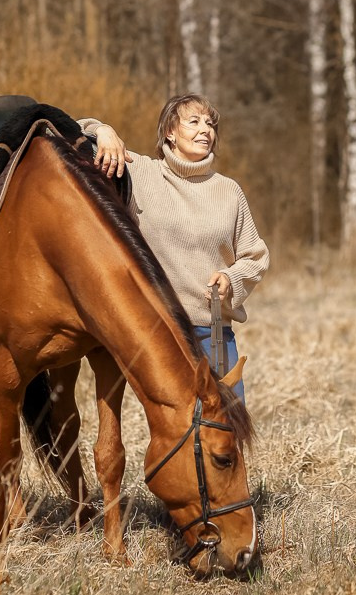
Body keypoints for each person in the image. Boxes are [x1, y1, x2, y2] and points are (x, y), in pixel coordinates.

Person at [77, 95, 269, 401]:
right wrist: (103, 130)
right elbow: (66, 134)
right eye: (193, 122)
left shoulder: (229, 191)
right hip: (159, 333)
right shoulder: (139, 173)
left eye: (210, 124)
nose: (205, 130)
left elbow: (254, 256)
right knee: (178, 432)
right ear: (170, 131)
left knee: (228, 429)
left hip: (213, 331)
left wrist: (230, 279)